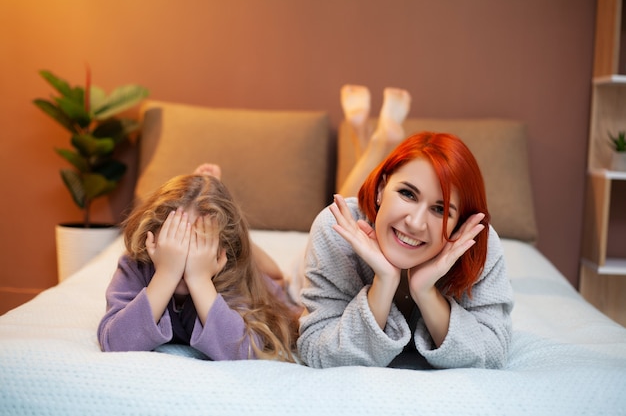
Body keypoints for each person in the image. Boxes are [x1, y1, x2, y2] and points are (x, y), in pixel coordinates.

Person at [296, 86, 514, 369]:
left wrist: (427, 293)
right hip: (297, 273)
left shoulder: (477, 244)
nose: (415, 222)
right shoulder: (335, 229)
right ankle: (369, 139)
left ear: (460, 222)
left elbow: (492, 353)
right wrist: (383, 282)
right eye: (407, 194)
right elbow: (318, 351)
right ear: (382, 188)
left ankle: (366, 137)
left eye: (440, 209)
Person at [97, 173, 300, 362]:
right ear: (150, 240)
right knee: (195, 204)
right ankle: (198, 197)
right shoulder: (136, 265)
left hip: (269, 282)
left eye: (198, 245)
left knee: (276, 277)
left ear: (221, 254)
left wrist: (200, 279)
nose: (184, 259)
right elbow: (116, 342)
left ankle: (230, 228)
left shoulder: (229, 273)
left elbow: (242, 351)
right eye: (175, 241)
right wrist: (166, 273)